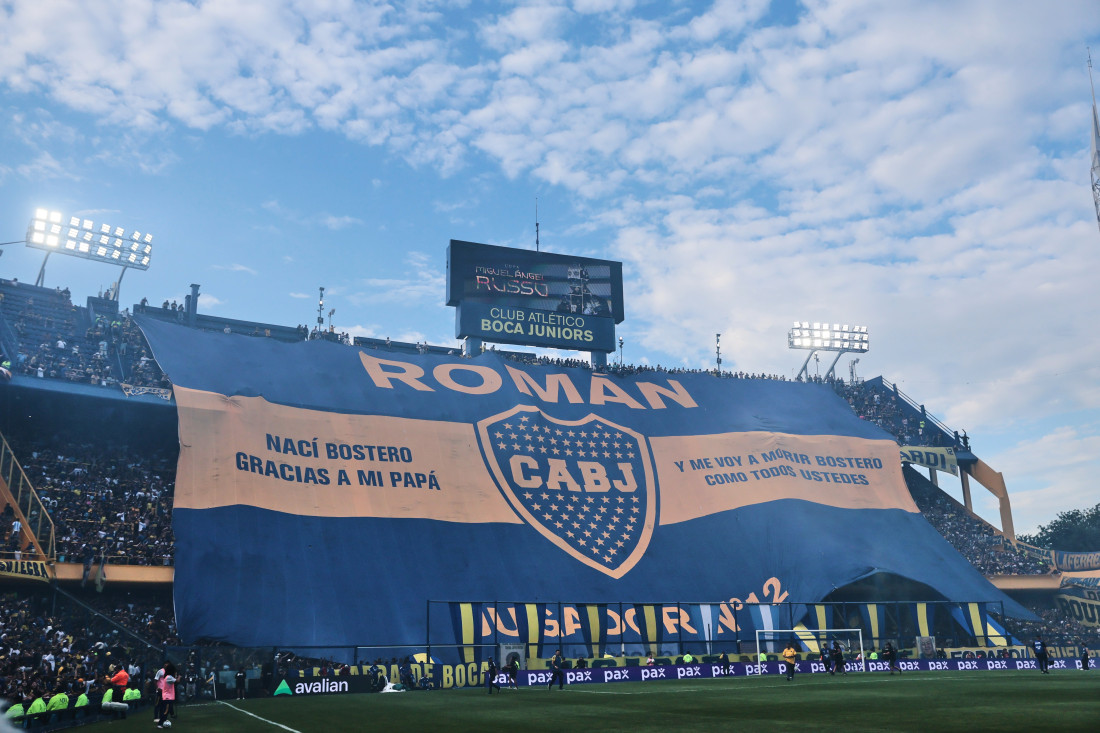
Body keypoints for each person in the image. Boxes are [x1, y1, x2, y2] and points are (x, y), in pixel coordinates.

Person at [155, 662, 177, 728]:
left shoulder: (168, 677)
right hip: (167, 697)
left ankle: (163, 721)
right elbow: (177, 681)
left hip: (168, 697)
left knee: (166, 711)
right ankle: (160, 724)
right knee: (165, 711)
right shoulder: (168, 677)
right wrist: (178, 676)